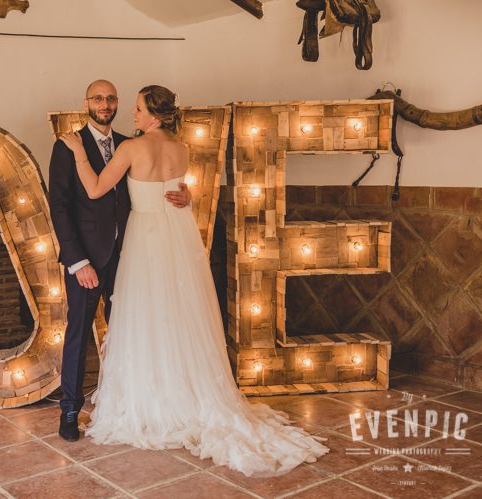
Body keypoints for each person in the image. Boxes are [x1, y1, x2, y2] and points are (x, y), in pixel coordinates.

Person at [58, 85, 330, 477]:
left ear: (153, 114)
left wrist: (79, 153)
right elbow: (176, 190)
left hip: (146, 237)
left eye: (136, 108)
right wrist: (183, 196)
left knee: (145, 318)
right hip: (178, 235)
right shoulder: (182, 149)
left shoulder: (131, 148)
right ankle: (184, 393)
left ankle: (153, 400)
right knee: (179, 314)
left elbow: (97, 188)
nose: (131, 114)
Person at [48, 80, 190, 442]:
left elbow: (145, 188)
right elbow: (60, 208)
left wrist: (181, 194)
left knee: (130, 332)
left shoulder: (131, 143)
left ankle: (129, 401)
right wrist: (78, 261)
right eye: (98, 97)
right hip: (88, 258)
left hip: (130, 254)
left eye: (111, 98)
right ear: (86, 102)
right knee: (79, 332)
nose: (106, 104)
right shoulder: (68, 146)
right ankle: (69, 410)